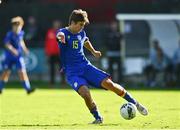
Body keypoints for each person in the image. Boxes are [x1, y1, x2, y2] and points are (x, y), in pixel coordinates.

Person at [56, 9, 148, 124]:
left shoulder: (81, 33)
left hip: (86, 67)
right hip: (72, 73)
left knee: (110, 84)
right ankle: (98, 117)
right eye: (80, 25)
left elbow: (85, 41)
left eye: (83, 25)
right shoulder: (63, 32)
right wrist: (60, 37)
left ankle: (135, 103)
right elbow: (59, 35)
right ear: (73, 23)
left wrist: (93, 51)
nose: (82, 27)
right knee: (85, 93)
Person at [0, 16, 35, 94]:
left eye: (19, 26)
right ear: (13, 26)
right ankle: (0, 88)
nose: (17, 28)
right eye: (15, 26)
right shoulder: (10, 34)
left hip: (18, 56)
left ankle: (28, 89)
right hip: (9, 56)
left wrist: (25, 49)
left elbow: (21, 42)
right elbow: (7, 44)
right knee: (6, 72)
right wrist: (13, 50)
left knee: (22, 72)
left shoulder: (21, 33)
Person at [45, 20, 65, 86]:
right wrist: (47, 52)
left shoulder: (62, 32)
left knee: (61, 68)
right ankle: (52, 82)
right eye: (55, 24)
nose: (56, 25)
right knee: (52, 69)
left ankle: (63, 82)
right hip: (52, 53)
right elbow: (47, 42)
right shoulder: (50, 32)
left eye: (57, 24)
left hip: (60, 53)